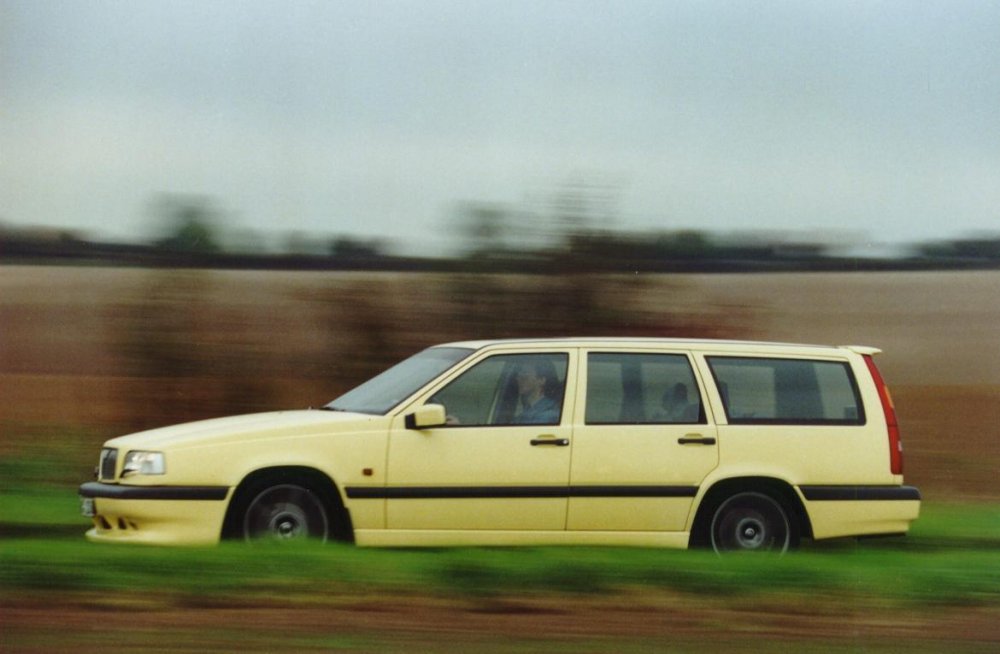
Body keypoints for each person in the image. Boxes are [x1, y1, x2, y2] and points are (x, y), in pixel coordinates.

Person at [513, 359, 561, 424]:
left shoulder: (548, 414)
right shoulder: (528, 409)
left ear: (541, 380)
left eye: (525, 374)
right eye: (519, 374)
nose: (518, 378)